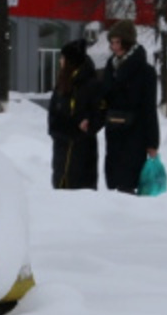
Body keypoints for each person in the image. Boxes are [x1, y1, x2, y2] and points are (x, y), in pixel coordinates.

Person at [99, 20, 160, 193]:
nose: (114, 46)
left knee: (128, 184)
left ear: (127, 41)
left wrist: (152, 143)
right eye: (112, 42)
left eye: (117, 42)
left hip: (135, 135)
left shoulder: (145, 71)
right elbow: (104, 100)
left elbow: (149, 108)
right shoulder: (110, 68)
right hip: (114, 132)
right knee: (113, 184)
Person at [48, 39, 103, 189]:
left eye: (63, 58)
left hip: (82, 153)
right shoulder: (62, 84)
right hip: (61, 150)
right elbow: (53, 116)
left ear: (71, 61)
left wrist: (87, 124)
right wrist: (65, 129)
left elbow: (98, 115)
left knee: (79, 197)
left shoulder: (90, 85)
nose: (60, 61)